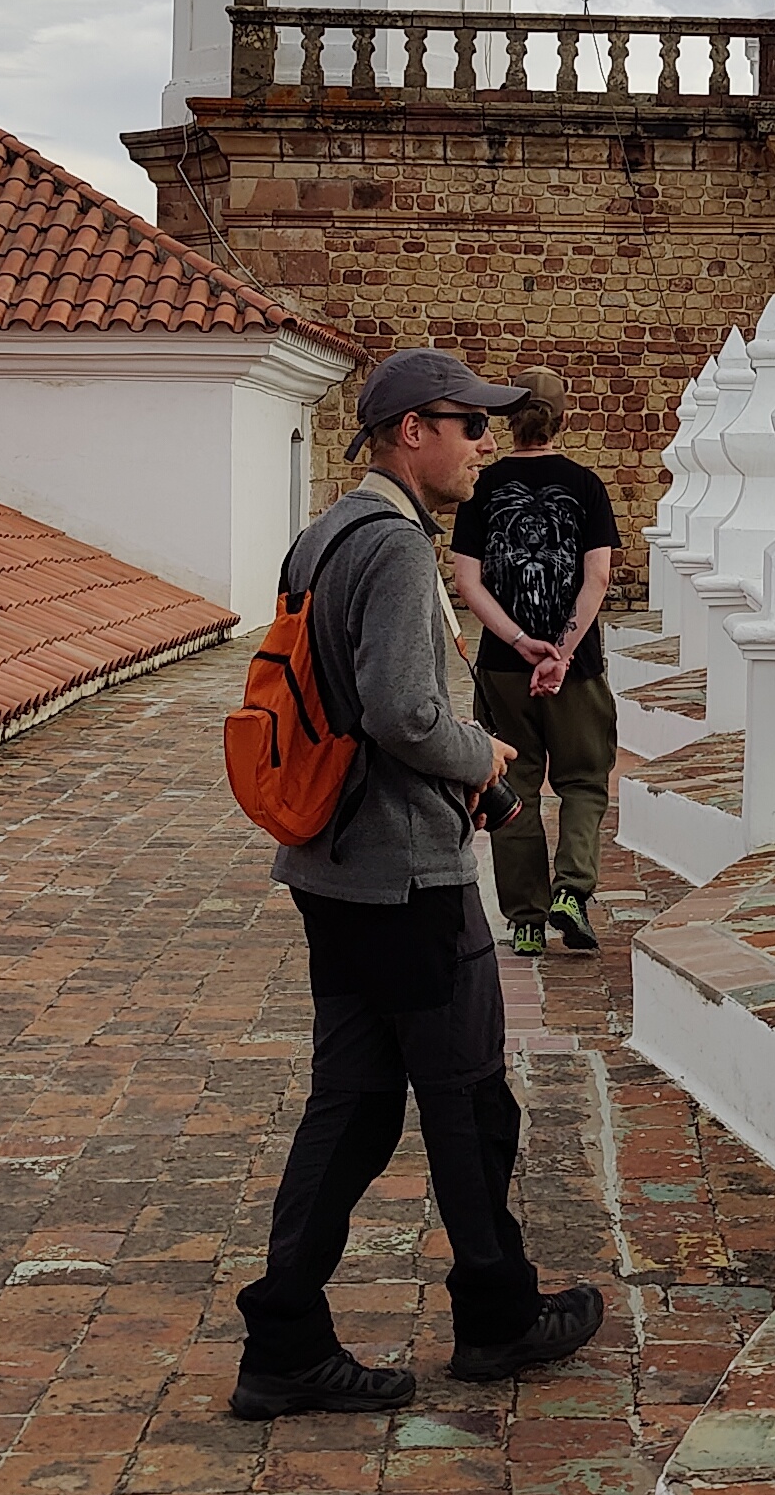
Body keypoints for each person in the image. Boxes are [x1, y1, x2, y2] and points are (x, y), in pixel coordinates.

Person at [230, 346, 609, 1418]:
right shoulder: (394, 544)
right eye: (469, 422)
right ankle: (496, 1313)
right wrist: (482, 758)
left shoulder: (325, 532)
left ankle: (286, 1335)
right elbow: (402, 710)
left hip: (334, 864)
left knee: (350, 1103)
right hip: (404, 873)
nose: (487, 440)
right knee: (468, 1096)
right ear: (411, 430)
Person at [447, 367, 620, 960]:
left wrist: (521, 642)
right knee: (584, 781)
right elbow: (596, 576)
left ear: (506, 421)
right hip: (579, 667)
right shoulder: (585, 484)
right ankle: (572, 891)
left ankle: (524, 919)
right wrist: (562, 652)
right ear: (562, 420)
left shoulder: (482, 486)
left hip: (502, 664)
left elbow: (466, 580)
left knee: (511, 784)